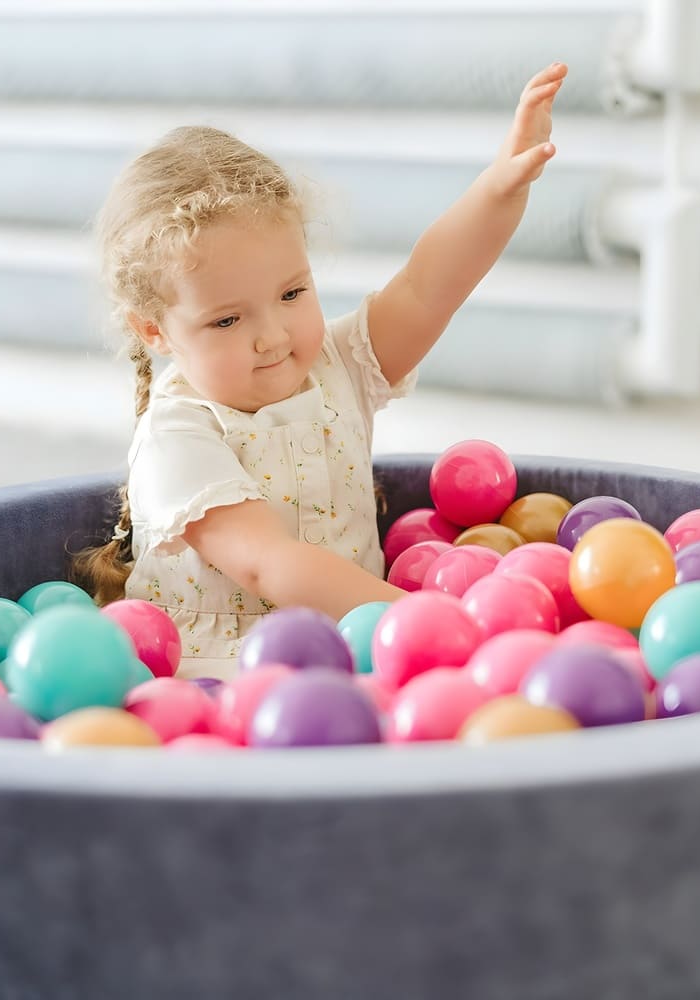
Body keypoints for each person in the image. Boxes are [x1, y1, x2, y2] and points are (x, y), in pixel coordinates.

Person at [74, 62, 568, 679]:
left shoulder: (339, 365)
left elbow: (426, 287)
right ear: (155, 331)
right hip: (224, 675)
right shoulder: (179, 438)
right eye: (228, 321)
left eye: (291, 294)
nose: (273, 337)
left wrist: (499, 188)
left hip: (364, 645)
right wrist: (437, 622)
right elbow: (270, 563)